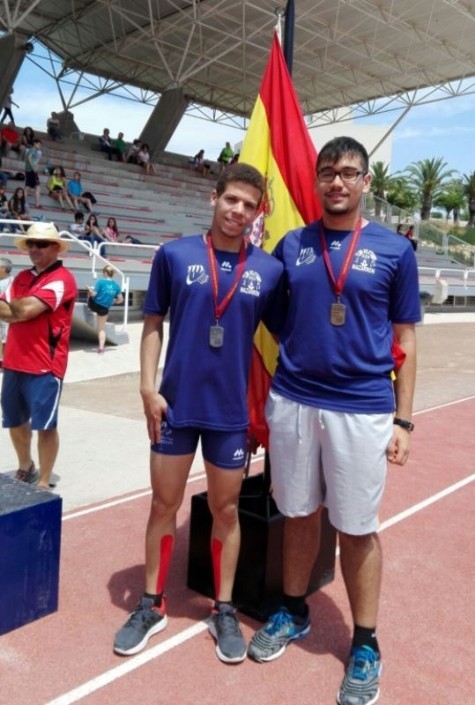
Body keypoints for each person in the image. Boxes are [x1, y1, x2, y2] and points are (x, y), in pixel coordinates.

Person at [247, 137, 420, 705]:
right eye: (328, 173)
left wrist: (404, 421)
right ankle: (293, 611)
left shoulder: (395, 250)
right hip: (294, 400)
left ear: (366, 183)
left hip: (363, 407)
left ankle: (365, 643)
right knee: (297, 515)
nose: (337, 182)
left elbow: (406, 342)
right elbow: (259, 306)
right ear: (317, 181)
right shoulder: (292, 244)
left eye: (349, 173)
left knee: (356, 527)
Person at [113, 163, 285, 664]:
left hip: (230, 414)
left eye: (249, 205)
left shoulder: (268, 271)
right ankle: (152, 604)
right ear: (214, 197)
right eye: (232, 199)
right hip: (176, 406)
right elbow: (152, 324)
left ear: (258, 213)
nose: (239, 211)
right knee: (162, 505)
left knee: (227, 511)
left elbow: (285, 339)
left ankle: (223, 608)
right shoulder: (174, 254)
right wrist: (147, 387)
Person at [0, 222, 77, 488]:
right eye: (31, 243)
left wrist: (15, 307)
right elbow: (9, 308)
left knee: (45, 426)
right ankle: (26, 465)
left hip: (45, 367)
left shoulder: (62, 279)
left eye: (41, 244)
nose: (34, 248)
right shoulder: (22, 277)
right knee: (14, 420)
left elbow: (20, 311)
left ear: (56, 248)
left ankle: (44, 480)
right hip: (12, 362)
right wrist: (15, 308)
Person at [86, 265, 123, 353]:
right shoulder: (116, 286)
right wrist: (113, 302)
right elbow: (120, 300)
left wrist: (89, 290)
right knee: (101, 329)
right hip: (104, 309)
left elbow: (94, 294)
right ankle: (101, 348)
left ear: (105, 273)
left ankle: (88, 308)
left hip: (94, 305)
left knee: (89, 293)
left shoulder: (101, 282)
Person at [0, 256, 13, 366]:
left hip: (5, 317)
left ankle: (4, 362)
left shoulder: (11, 282)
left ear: (3, 268)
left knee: (4, 339)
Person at [24, 138, 42, 209]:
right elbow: (29, 158)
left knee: (28, 186)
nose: (39, 146)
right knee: (36, 187)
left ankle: (25, 202)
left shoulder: (33, 150)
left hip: (29, 170)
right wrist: (34, 168)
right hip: (32, 171)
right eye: (39, 144)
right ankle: (37, 204)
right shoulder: (33, 150)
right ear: (35, 143)